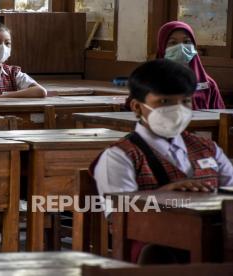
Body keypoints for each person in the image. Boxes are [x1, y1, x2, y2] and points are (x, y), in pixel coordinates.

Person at [92, 59, 233, 263]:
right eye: (165, 102)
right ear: (137, 107)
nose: (177, 110)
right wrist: (165, 194)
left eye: (185, 102)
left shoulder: (207, 148)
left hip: (214, 238)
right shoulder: (120, 155)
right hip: (152, 246)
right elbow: (117, 215)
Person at [157, 21, 225, 109]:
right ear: (162, 46)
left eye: (186, 41)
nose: (181, 47)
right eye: (173, 43)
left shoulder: (208, 84)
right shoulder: (147, 83)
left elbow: (221, 116)